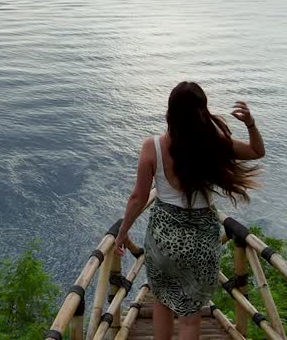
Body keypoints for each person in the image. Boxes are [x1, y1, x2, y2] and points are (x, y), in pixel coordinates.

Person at [113, 81, 264, 340]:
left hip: (164, 241)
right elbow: (256, 151)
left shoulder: (153, 147)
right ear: (202, 112)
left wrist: (122, 232)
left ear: (169, 113)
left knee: (161, 301)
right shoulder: (214, 144)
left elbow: (138, 197)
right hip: (202, 241)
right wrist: (250, 123)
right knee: (190, 318)